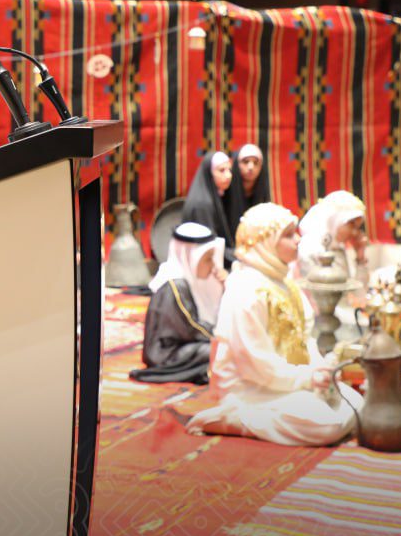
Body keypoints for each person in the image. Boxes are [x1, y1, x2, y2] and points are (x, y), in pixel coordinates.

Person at [187, 203, 362, 447]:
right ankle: (235, 417)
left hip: (287, 381)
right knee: (326, 424)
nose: (298, 240)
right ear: (265, 242)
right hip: (251, 389)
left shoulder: (286, 284)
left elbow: (303, 341)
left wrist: (320, 369)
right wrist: (307, 379)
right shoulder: (245, 289)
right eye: (288, 235)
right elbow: (255, 365)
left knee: (357, 404)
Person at [130, 222, 226, 384]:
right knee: (217, 351)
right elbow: (191, 327)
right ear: (191, 258)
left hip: (183, 343)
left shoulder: (185, 280)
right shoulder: (175, 285)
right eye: (208, 259)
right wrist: (221, 337)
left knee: (221, 350)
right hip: (165, 353)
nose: (213, 266)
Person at [296, 190, 369, 287]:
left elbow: (358, 292)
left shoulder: (338, 248)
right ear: (333, 219)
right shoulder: (309, 248)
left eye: (357, 227)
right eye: (351, 225)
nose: (354, 233)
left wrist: (360, 257)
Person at [181, 151, 236, 268]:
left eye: (229, 170)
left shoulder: (214, 196)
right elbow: (207, 246)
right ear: (209, 173)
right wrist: (236, 255)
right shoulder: (202, 204)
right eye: (222, 170)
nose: (228, 175)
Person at [226, 143, 270, 243]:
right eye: (245, 162)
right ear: (237, 164)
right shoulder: (226, 191)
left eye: (256, 163)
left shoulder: (263, 192)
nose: (251, 167)